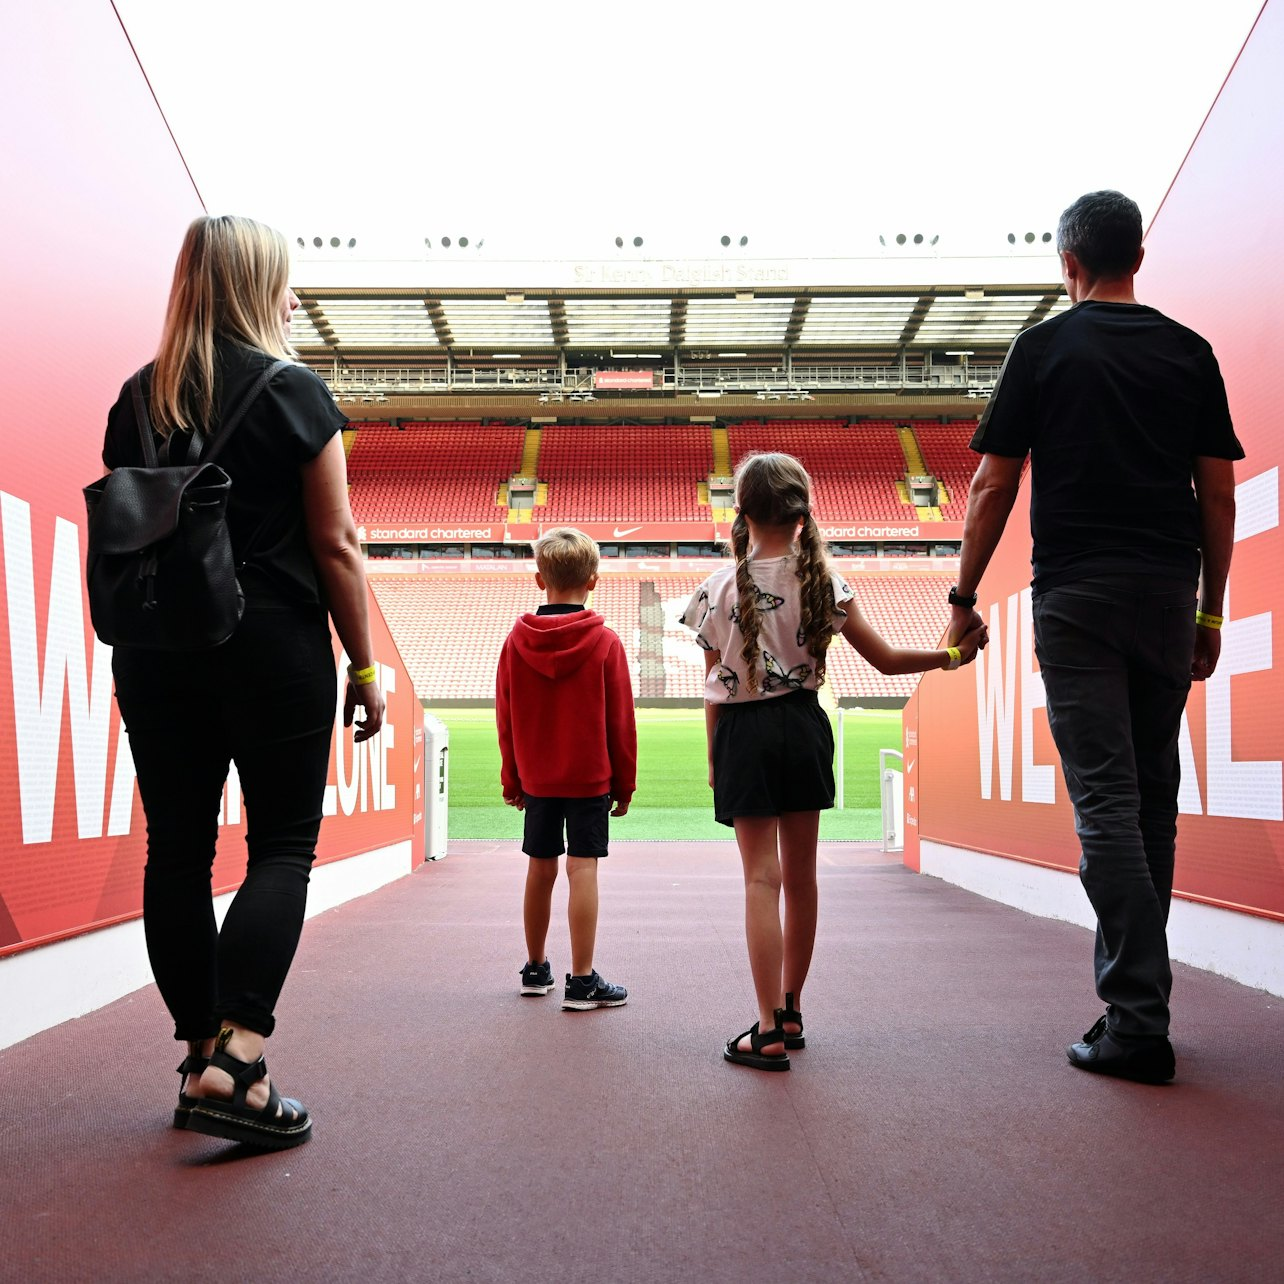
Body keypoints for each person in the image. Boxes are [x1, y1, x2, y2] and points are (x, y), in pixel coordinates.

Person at [948, 190, 1242, 1084]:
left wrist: (963, 596)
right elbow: (1217, 495)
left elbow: (993, 486)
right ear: (1138, 259)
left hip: (1077, 595)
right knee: (1152, 797)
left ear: (1068, 264)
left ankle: (1138, 1019)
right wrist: (1210, 611)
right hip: (1167, 592)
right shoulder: (1190, 351)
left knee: (1108, 802)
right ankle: (1140, 1006)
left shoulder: (1042, 348)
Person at [103, 215, 385, 1149]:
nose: (294, 297)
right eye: (286, 281)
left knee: (177, 853)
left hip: (156, 649)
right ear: (260, 286)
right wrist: (365, 666)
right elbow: (336, 544)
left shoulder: (136, 399)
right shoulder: (294, 391)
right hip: (271, 643)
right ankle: (239, 1064)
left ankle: (198, 1059)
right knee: (282, 848)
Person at [683, 452, 986, 1071]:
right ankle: (792, 1011)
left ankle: (767, 1028)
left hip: (742, 735)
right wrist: (952, 656)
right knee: (802, 878)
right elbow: (888, 662)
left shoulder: (714, 590)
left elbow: (714, 686)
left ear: (741, 510)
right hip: (804, 727)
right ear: (802, 512)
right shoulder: (826, 582)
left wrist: (715, 757)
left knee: (760, 879)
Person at [495, 528, 637, 1010]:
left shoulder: (515, 643)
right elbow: (621, 722)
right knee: (583, 869)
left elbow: (505, 718)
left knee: (540, 868)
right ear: (593, 580)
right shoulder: (606, 643)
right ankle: (582, 980)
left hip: (538, 777)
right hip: (589, 777)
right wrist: (624, 784)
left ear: (540, 579)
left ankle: (535, 969)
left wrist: (512, 779)